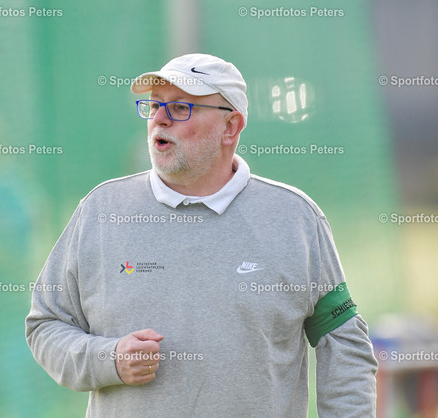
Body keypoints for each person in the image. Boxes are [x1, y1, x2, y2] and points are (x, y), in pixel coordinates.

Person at [26, 53, 378, 417]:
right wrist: (108, 359)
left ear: (231, 127)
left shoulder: (296, 219)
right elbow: (46, 325)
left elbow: (343, 342)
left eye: (180, 107)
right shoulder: (100, 211)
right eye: (154, 106)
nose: (160, 119)